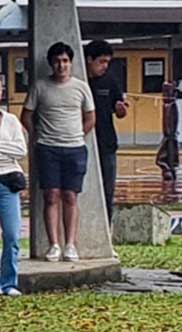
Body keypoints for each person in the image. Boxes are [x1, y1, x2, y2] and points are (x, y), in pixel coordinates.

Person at [21, 41, 96, 262]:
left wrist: (78, 135)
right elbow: (26, 116)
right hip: (47, 148)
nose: (61, 65)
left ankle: (70, 244)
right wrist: (37, 137)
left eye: (65, 61)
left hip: (75, 148)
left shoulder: (81, 87)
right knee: (51, 195)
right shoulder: (40, 86)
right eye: (57, 61)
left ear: (71, 63)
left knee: (70, 196)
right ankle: (54, 244)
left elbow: (91, 117)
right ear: (51, 63)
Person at [86, 39, 128, 223]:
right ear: (89, 59)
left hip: (107, 142)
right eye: (101, 62)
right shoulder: (79, 81)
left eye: (107, 62)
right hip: (83, 141)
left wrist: (121, 110)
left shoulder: (110, 80)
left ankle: (106, 227)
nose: (104, 66)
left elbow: (119, 110)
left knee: (107, 189)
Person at [1, 82, 26, 296]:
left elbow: (20, 150)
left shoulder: (11, 121)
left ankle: (8, 283)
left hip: (8, 181)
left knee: (12, 234)